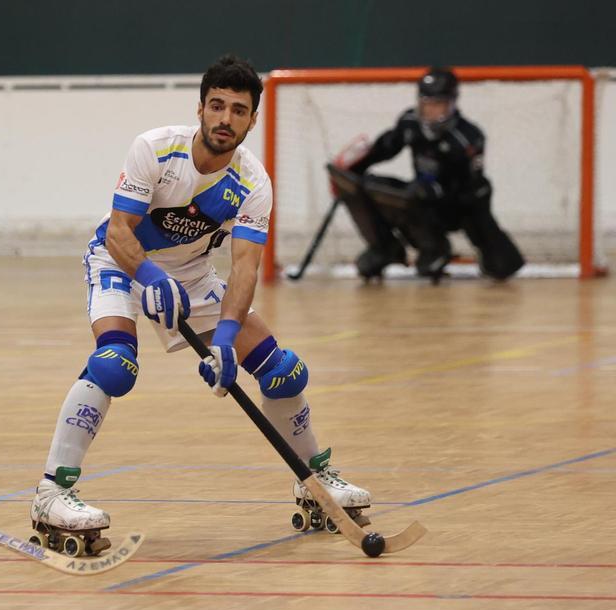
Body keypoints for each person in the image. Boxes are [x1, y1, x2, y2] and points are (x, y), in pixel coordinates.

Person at [28, 56, 371, 557]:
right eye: (217, 106)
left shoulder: (253, 184)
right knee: (115, 364)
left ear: (252, 120)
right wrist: (147, 276)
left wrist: (228, 340)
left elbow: (246, 269)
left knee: (282, 372)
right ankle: (51, 493)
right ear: (200, 109)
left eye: (238, 110)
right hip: (121, 262)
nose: (225, 119)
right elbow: (121, 231)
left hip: (191, 276)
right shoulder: (155, 148)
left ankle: (315, 479)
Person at [343, 67, 524, 281]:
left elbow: (468, 185)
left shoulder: (467, 139)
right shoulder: (410, 122)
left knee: (502, 265)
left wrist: (436, 191)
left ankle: (442, 248)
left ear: (452, 103)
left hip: (464, 204)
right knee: (363, 186)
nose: (431, 111)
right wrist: (353, 166)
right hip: (422, 195)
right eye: (426, 104)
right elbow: (387, 147)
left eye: (438, 104)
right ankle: (385, 248)